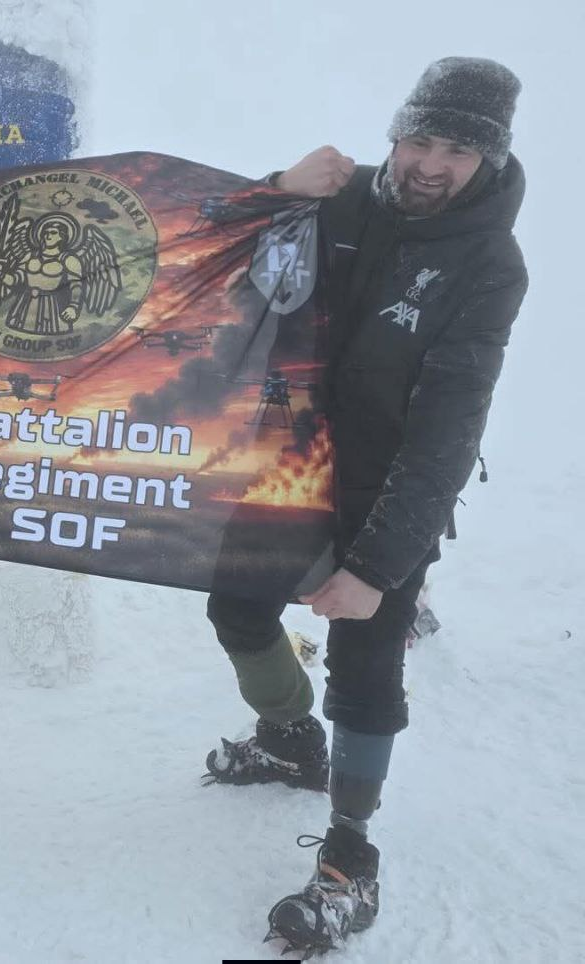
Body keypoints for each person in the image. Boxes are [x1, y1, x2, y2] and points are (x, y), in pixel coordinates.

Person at [200, 57, 528, 954]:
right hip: (286, 462)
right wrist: (274, 189)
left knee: (365, 662)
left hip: (388, 487)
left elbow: (447, 431)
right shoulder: (337, 201)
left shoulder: (490, 264)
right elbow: (202, 246)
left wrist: (377, 568)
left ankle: (350, 853)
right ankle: (287, 739)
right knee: (237, 609)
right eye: (421, 139)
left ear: (489, 159)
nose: (431, 164)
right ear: (396, 133)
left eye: (458, 150)